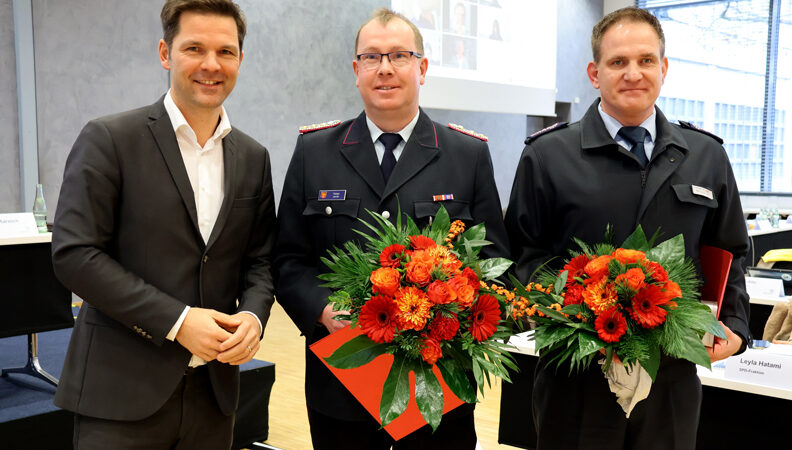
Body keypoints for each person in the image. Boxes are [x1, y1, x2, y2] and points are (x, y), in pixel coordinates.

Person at [504, 7, 750, 450]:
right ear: (594, 73)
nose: (633, 73)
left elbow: (730, 249)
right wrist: (579, 309)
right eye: (618, 62)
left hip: (671, 375)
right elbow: (523, 256)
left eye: (646, 60)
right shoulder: (548, 156)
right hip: (576, 376)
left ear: (664, 68)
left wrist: (733, 323)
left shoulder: (705, 155)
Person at [275, 8, 508, 450]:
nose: (385, 68)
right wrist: (323, 311)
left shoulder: (467, 154)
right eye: (371, 57)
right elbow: (288, 258)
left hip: (437, 385)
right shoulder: (314, 151)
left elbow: (493, 260)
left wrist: (448, 317)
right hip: (340, 377)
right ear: (355, 70)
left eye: (399, 55)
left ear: (422, 67)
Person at [51, 1, 276, 448]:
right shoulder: (110, 138)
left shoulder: (253, 157)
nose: (211, 65)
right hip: (120, 393)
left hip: (214, 398)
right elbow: (75, 255)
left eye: (225, 51)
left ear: (240, 60)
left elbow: (260, 261)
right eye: (194, 48)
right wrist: (177, 321)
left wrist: (253, 314)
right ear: (165, 53)